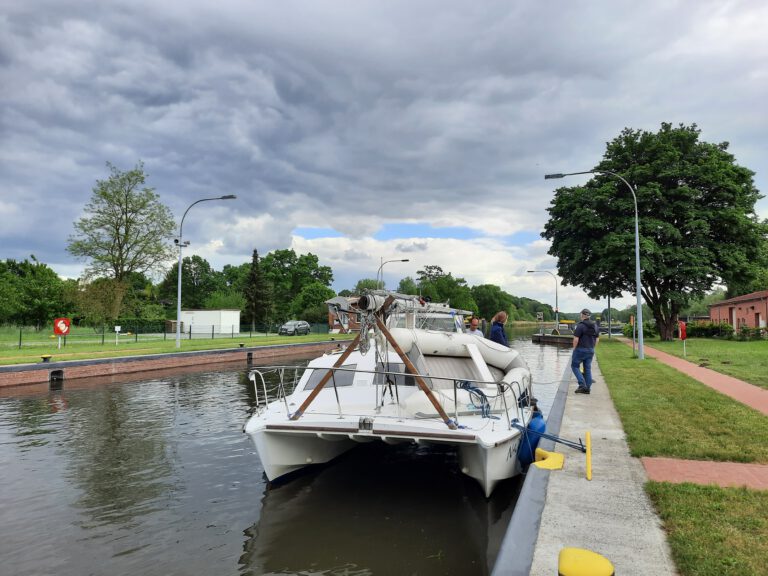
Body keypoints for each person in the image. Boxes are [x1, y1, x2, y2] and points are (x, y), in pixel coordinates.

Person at [572, 308, 599, 394]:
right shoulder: (595, 326)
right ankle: (587, 388)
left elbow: (576, 339)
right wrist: (592, 348)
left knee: (574, 366)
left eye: (581, 314)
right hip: (590, 350)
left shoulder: (580, 326)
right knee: (587, 368)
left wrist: (574, 349)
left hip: (580, 349)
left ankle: (582, 384)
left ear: (582, 315)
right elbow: (597, 339)